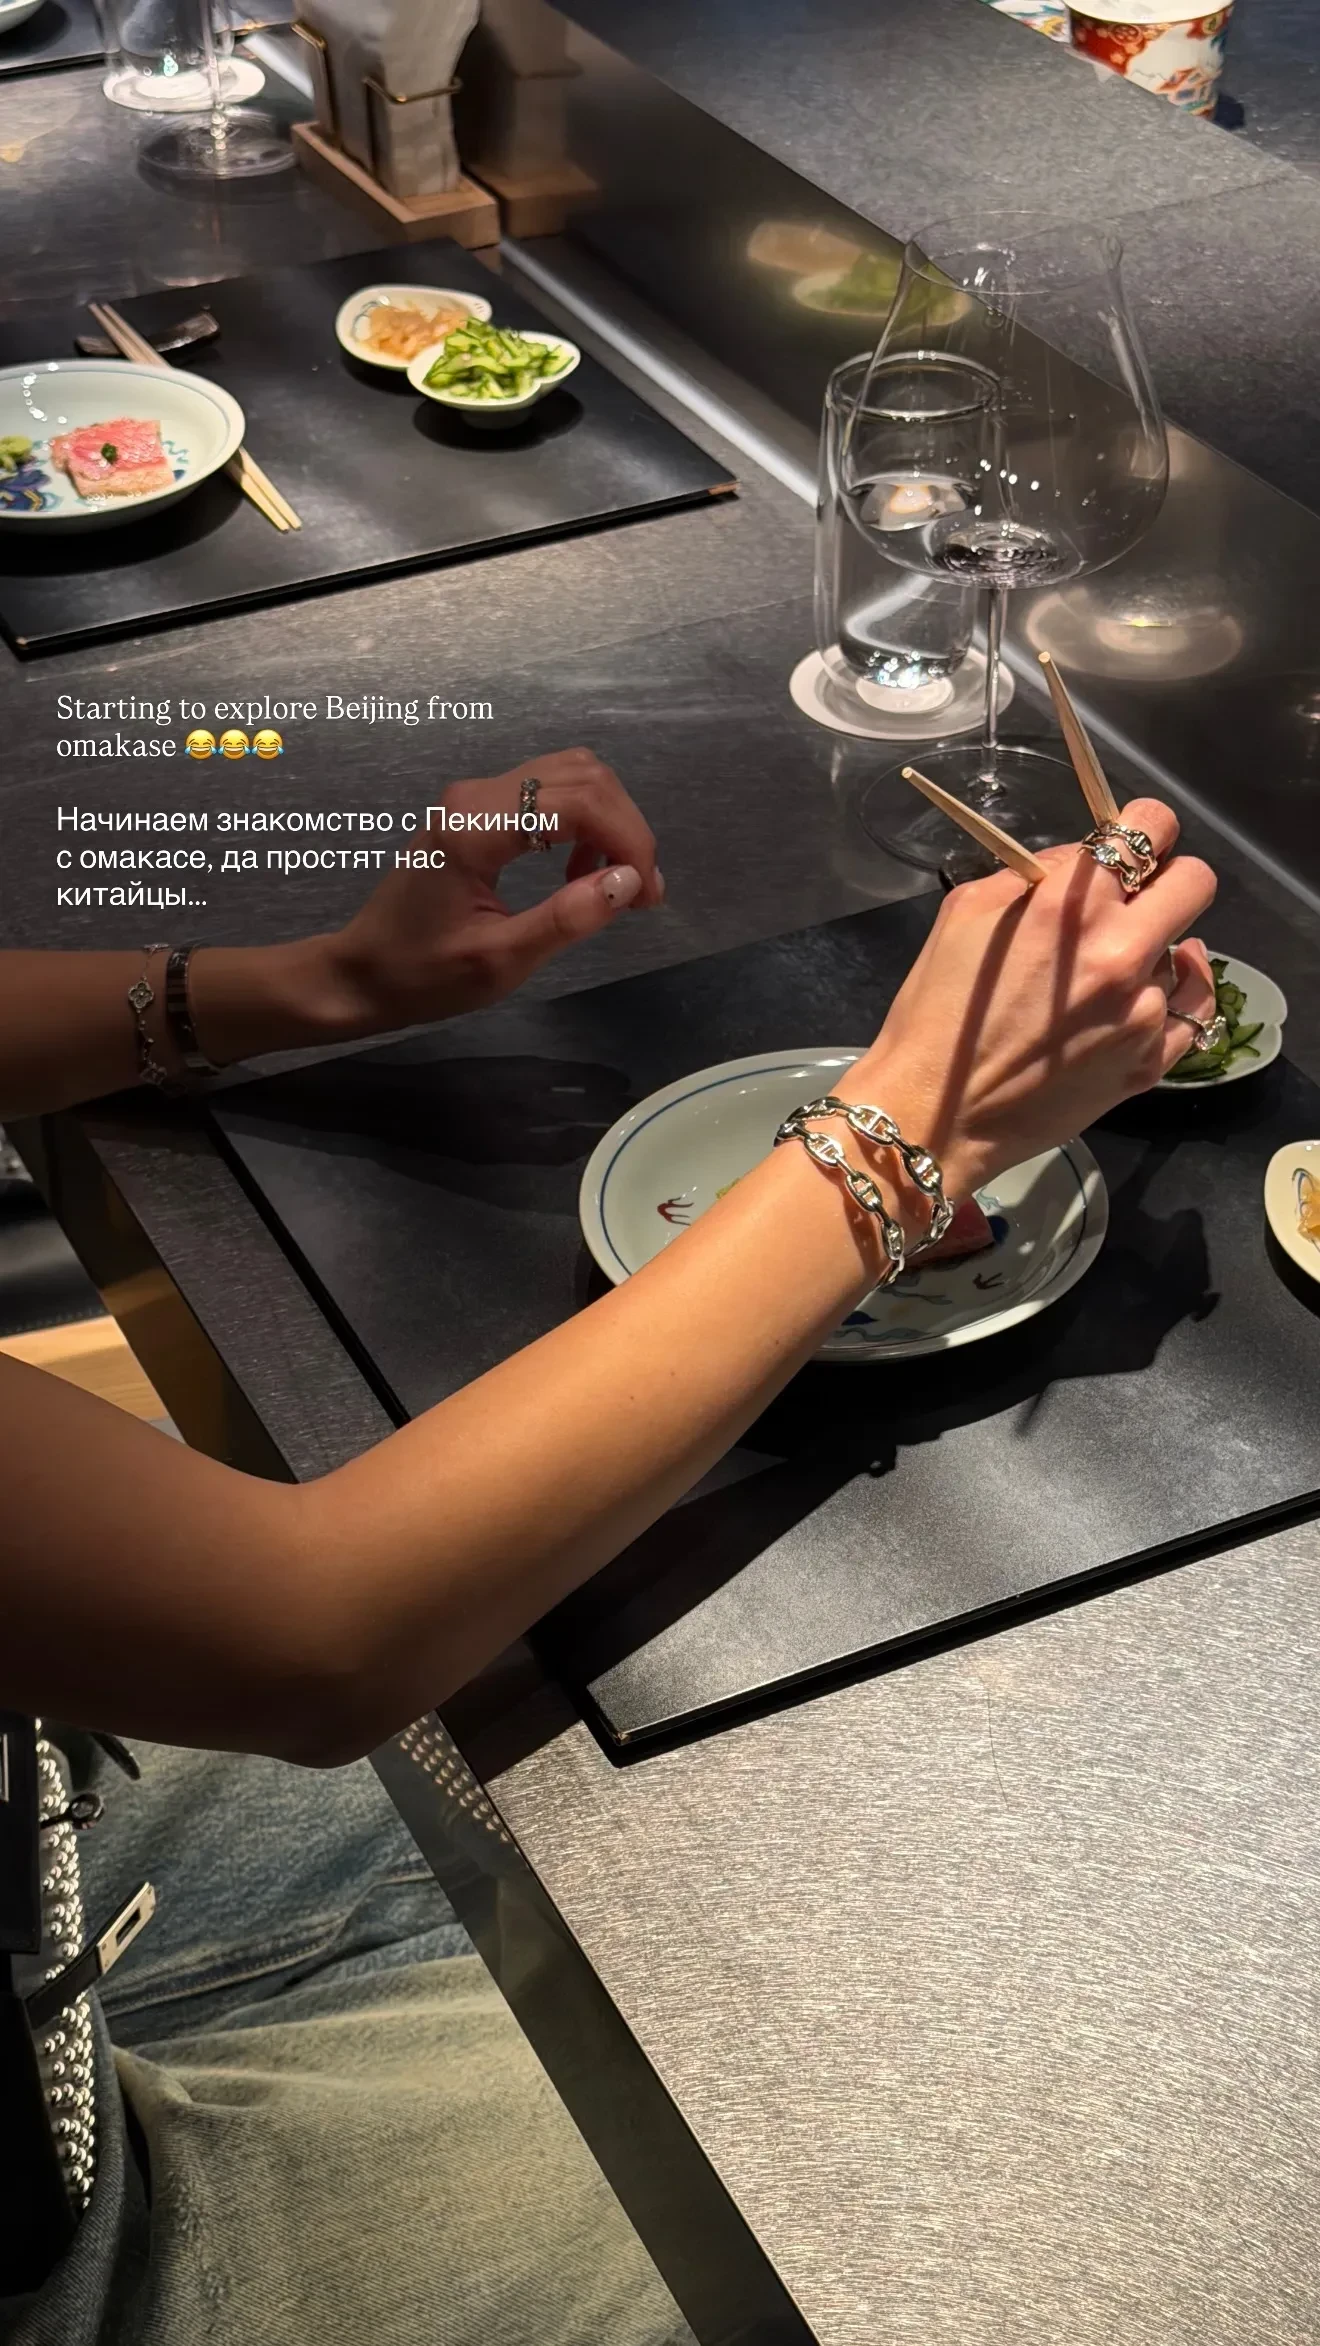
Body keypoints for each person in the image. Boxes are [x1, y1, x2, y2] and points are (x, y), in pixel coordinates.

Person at [0, 747, 1216, 2346]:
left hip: (66, 1823)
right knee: (992, 2240)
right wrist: (919, 1122)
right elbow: (312, 1636)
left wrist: (310, 985)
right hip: (50, 2234)